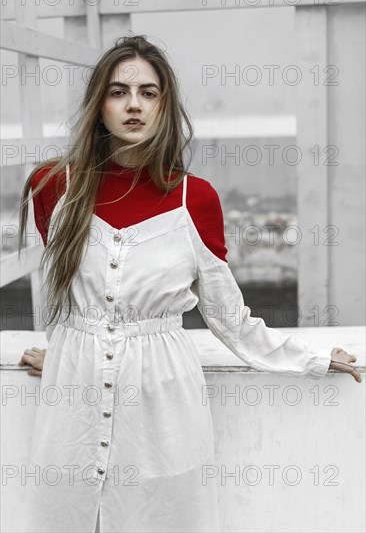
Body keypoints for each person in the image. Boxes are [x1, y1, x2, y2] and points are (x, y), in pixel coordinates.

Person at [17, 34, 361, 533]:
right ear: (98, 103)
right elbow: (68, 295)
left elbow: (229, 319)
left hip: (165, 403)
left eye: (149, 93)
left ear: (165, 105)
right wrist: (73, 353)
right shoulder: (52, 186)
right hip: (73, 395)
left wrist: (311, 359)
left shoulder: (194, 200)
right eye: (118, 92)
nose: (134, 105)